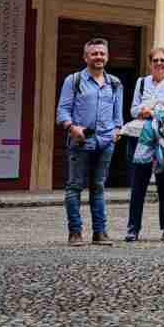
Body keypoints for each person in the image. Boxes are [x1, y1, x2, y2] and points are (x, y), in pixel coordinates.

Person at [56, 38, 123, 246]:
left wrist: (117, 132)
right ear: (85, 57)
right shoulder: (73, 80)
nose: (99, 57)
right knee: (74, 187)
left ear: (107, 56)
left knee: (98, 187)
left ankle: (100, 232)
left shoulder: (115, 83)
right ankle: (75, 233)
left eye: (102, 53)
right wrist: (72, 127)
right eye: (94, 54)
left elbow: (118, 115)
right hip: (80, 141)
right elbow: (62, 110)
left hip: (105, 142)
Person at [125, 46, 164, 242]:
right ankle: (133, 228)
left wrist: (152, 110)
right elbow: (133, 110)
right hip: (141, 138)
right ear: (150, 63)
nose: (159, 63)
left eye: (162, 60)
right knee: (138, 184)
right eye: (155, 60)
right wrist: (149, 110)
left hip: (163, 139)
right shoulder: (141, 83)